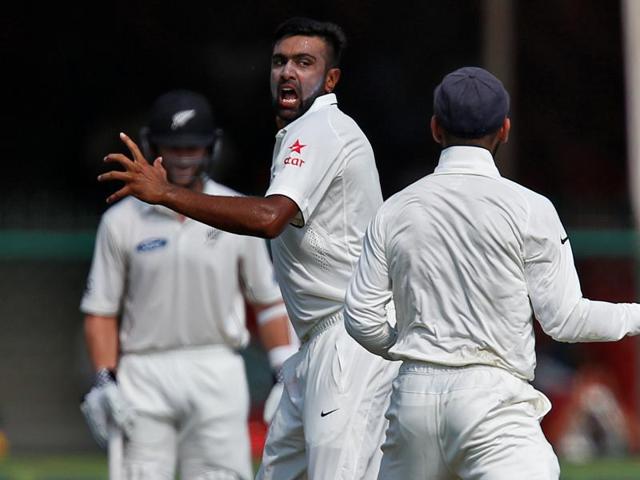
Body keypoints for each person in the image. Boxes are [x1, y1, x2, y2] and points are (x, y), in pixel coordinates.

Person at [98, 17, 399, 480]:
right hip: (319, 342)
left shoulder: (319, 129)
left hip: (347, 338)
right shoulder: (305, 132)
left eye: (304, 62)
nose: (288, 72)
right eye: (280, 62)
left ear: (331, 78)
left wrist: (166, 194)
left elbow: (269, 218)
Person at [343, 66, 640, 479]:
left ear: (435, 128)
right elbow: (566, 319)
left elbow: (360, 318)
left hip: (414, 401)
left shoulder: (395, 209)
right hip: (492, 401)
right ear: (504, 129)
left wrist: (407, 346)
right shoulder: (530, 209)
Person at [80, 89, 297, 480]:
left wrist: (283, 367)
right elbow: (101, 310)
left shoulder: (233, 211)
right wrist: (103, 379)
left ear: (210, 148)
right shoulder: (122, 220)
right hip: (143, 373)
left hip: (216, 368)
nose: (182, 157)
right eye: (172, 147)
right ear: (152, 145)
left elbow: (267, 301)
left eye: (192, 148)